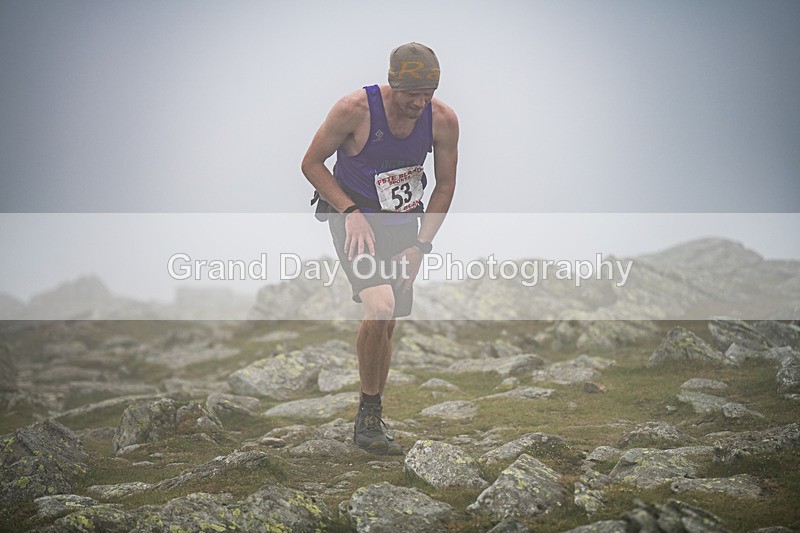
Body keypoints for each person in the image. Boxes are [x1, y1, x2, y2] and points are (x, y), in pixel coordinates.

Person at [301, 42, 459, 455]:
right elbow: (311, 164)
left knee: (387, 323)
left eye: (427, 94)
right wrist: (349, 210)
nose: (419, 104)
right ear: (393, 84)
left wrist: (421, 246)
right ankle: (368, 416)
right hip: (353, 220)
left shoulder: (441, 120)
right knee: (380, 307)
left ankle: (373, 408)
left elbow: (444, 186)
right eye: (412, 95)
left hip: (403, 221)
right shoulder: (354, 109)